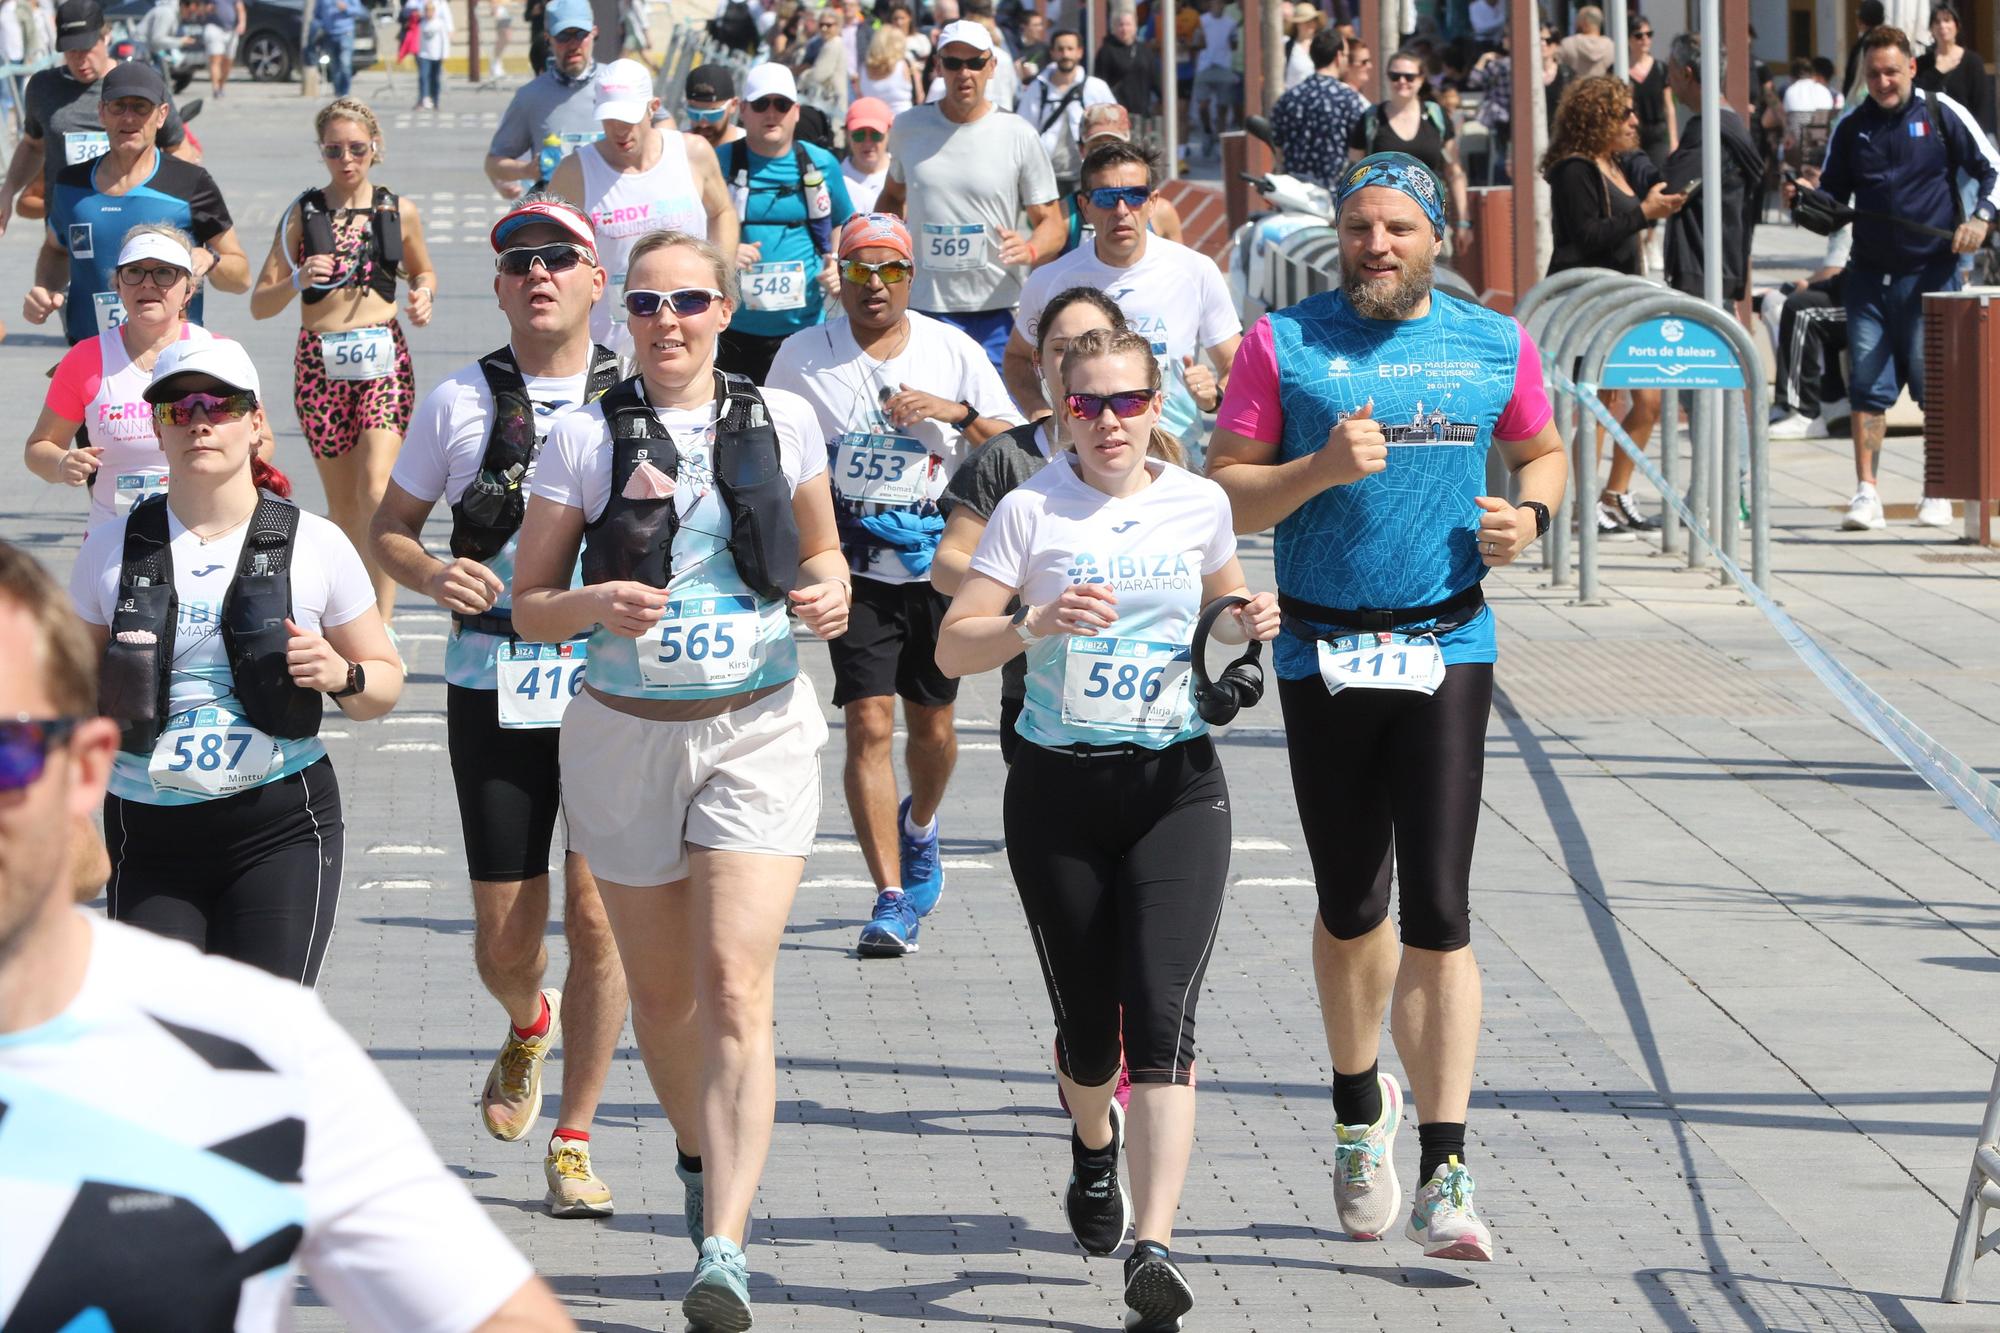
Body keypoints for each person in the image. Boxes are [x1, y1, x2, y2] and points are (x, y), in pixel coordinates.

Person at [0, 542, 576, 1332]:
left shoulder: (258, 1045)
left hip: (280, 816)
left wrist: (341, 672)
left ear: (87, 766)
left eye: (8, 753)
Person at [1207, 152, 1567, 1264]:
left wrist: (1531, 520)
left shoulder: (1492, 342)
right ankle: (1360, 1108)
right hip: (1323, 650)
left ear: (1435, 239)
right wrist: (1313, 470)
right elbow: (1222, 482)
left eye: (1397, 229)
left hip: (1446, 641)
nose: (1374, 246)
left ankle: (1447, 1170)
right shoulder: (1285, 342)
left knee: (1441, 911)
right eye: (1359, 227)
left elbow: (1541, 453)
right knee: (1350, 901)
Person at [512, 229, 849, 1331]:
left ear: (722, 309)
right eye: (648, 303)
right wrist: (593, 605)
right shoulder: (581, 436)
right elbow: (528, 603)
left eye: (690, 302)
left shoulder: (781, 417)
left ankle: (723, 1247)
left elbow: (821, 556)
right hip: (622, 736)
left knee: (734, 982)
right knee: (661, 997)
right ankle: (701, 1154)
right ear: (626, 317)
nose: (668, 322)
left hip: (754, 726)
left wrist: (828, 596)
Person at [936, 324, 1280, 1333]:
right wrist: (1029, 627)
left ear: (1157, 401)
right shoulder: (1028, 508)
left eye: (1128, 401)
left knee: (1161, 1017)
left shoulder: (1200, 502)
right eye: (1088, 404)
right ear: (1059, 407)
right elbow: (955, 647)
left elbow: (1224, 618)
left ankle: (1153, 1245)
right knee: (1091, 1034)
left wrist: (1244, 638)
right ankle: (1094, 1147)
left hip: (1175, 787)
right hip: (1056, 794)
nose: (1110, 422)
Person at [371, 195, 628, 1223]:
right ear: (500, 283)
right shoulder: (459, 400)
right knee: (505, 940)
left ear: (595, 278)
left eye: (559, 257)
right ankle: (527, 1020)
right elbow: (392, 527)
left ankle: (575, 1138)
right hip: (494, 682)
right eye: (520, 259)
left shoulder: (639, 391)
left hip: (616, 686)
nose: (539, 274)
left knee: (601, 921)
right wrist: (433, 576)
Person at [69, 337, 402, 986]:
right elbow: (67, 695)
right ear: (158, 429)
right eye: (177, 408)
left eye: (220, 405)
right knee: (165, 1047)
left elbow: (383, 684)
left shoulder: (316, 543)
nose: (199, 419)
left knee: (264, 1047)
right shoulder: (111, 549)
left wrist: (343, 675)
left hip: (278, 825)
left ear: (256, 423)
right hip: (149, 827)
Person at [767, 212, 1021, 958]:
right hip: (853, 573)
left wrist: (956, 412)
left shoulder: (952, 349)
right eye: (858, 270)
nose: (873, 285)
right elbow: (770, 451)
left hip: (937, 568)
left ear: (912, 277)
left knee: (933, 729)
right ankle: (888, 897)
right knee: (869, 724)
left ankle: (922, 823)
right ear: (837, 277)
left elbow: (1012, 449)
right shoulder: (802, 356)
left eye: (889, 271)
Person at [1802, 25, 1998, 532]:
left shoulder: (1940, 113)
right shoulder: (1852, 127)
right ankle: (1866, 493)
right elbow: (1831, 201)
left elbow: (1995, 168)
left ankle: (1936, 490)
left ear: (1912, 67)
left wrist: (1981, 219)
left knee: (1936, 386)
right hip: (1867, 276)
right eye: (1873, 74)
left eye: (1891, 71)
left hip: (1932, 273)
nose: (1883, 82)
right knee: (1866, 385)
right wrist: (1804, 202)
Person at [249, 98, 436, 624]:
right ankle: (349, 611)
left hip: (383, 361)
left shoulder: (397, 211)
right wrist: (296, 280)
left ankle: (384, 621)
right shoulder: (302, 215)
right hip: (320, 364)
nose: (346, 159)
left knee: (378, 487)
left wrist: (423, 293)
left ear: (375, 148)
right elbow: (260, 304)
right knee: (345, 507)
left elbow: (423, 272)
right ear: (322, 153)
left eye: (356, 148)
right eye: (333, 150)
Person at [935, 286, 1125, 763]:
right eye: (1061, 349)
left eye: (1091, 343)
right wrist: (1034, 597)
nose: (1073, 363)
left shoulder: (1160, 457)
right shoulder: (1006, 458)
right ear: (1039, 364)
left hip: (1152, 709)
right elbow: (946, 565)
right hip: (1036, 702)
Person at [1006, 140, 1238, 469]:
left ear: (1153, 202)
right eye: (1105, 198)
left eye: (1134, 195)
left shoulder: (1194, 270)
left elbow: (1234, 361)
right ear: (1084, 206)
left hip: (1172, 455)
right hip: (1081, 459)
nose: (1121, 210)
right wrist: (1040, 412)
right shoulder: (1050, 280)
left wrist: (1215, 396)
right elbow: (1017, 357)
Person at [25, 225, 246, 534]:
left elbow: (262, 441)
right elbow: (39, 447)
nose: (148, 284)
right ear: (118, 286)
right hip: (114, 539)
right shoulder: (85, 359)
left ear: (188, 290)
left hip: (202, 534)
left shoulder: (220, 354)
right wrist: (62, 463)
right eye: (134, 272)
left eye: (165, 273)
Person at [1542, 75, 1684, 536]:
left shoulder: (1614, 163)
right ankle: (1585, 502)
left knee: (1648, 399)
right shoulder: (1574, 169)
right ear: (1597, 117)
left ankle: (1614, 492)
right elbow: (1585, 236)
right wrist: (1643, 214)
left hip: (1620, 298)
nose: (1634, 121)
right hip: (1589, 300)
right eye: (1624, 113)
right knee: (1600, 401)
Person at [878, 20, 1061, 376]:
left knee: (999, 425)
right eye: (953, 62)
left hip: (997, 308)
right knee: (927, 420)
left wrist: (1031, 249)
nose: (965, 72)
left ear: (992, 67)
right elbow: (891, 195)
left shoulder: (1018, 133)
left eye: (975, 62)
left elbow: (1051, 221)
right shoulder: (907, 127)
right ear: (938, 67)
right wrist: (887, 251)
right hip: (925, 305)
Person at [29, 60, 247, 346]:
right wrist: (44, 290)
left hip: (171, 364)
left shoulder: (190, 182)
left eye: (140, 107)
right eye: (118, 106)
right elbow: (56, 250)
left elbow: (241, 277)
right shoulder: (71, 183)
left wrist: (212, 260)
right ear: (102, 112)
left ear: (161, 115)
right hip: (92, 358)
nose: (128, 118)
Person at [549, 58, 736, 362]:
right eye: (609, 119)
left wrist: (721, 279)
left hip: (686, 341)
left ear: (653, 107)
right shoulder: (575, 172)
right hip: (608, 348)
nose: (619, 130)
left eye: (628, 119)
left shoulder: (692, 153)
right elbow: (551, 251)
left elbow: (722, 212)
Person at [0, 0, 192, 241]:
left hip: (135, 228)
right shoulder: (43, 87)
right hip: (68, 228)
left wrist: (174, 204)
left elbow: (180, 148)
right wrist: (7, 191)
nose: (80, 60)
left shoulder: (142, 82)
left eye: (86, 49)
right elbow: (32, 145)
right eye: (71, 51)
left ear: (106, 37)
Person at [709, 61, 853, 384]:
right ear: (742, 110)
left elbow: (844, 222)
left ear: (797, 112)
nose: (771, 113)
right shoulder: (720, 162)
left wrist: (837, 263)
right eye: (761, 104)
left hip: (805, 328)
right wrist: (725, 250)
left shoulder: (822, 163)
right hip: (734, 328)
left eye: (781, 104)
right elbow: (693, 227)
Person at [1659, 34, 1763, 314]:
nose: (1669, 83)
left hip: (1704, 272)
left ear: (1687, 73)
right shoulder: (1729, 123)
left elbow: (1668, 187)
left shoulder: (1709, 129)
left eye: (1671, 72)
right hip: (1719, 269)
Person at [486, 0, 604, 200]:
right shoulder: (531, 95)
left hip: (614, 217)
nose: (573, 44)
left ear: (594, 32)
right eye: (563, 36)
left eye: (581, 35)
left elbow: (663, 128)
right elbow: (494, 164)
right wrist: (527, 170)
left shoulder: (617, 81)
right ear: (548, 39)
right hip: (560, 220)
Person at [1349, 50, 1471, 234]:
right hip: (1384, 224)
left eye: (1409, 76)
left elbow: (1454, 172)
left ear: (1421, 79)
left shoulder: (1435, 117)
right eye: (1395, 76)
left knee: (1437, 264)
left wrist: (1463, 221)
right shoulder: (1371, 119)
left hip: (1431, 218)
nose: (1402, 82)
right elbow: (1355, 173)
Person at [1051, 103, 1186, 254]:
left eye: (1113, 145)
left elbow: (1181, 269)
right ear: (1082, 150)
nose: (1105, 154)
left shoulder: (1162, 212)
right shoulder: (1063, 214)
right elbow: (1043, 272)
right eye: (1096, 147)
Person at [1764, 226, 1850, 440]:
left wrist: (1803, 286)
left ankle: (1804, 411)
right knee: (1789, 303)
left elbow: (1834, 271)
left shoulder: (1844, 204)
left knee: (1796, 309)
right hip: (1861, 291)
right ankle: (1831, 398)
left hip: (1872, 302)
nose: (1787, 191)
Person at [1015, 27, 1116, 199]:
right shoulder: (1037, 89)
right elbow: (1022, 129)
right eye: (1060, 49)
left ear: (1079, 52)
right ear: (1053, 53)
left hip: (1088, 173)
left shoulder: (1096, 87)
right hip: (1047, 175)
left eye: (1070, 49)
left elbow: (1114, 126)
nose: (1065, 54)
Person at [1271, 29, 1367, 190]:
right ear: (1338, 57)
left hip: (1292, 193)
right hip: (1332, 194)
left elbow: (1278, 150)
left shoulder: (1288, 98)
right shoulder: (1347, 99)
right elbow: (1359, 150)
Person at [1917, 4, 1995, 139]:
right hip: (1931, 136)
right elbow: (1918, 98)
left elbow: (1982, 106)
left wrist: (1975, 136)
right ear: (1931, 28)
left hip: (1966, 135)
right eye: (1937, 22)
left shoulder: (1973, 62)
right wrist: (1937, 72)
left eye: (1947, 20)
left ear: (1956, 25)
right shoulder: (1922, 63)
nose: (1942, 26)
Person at [1627, 14, 1675, 173]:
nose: (1645, 40)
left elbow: (1669, 106)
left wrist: (1673, 141)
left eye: (1649, 34)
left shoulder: (1661, 68)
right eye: (1639, 35)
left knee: (1657, 178)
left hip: (1657, 135)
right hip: (1632, 135)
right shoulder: (1619, 69)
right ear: (1628, 39)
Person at [1191, 0, 1238, 156]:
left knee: (1222, 108)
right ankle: (1207, 131)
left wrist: (1233, 39)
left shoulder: (1231, 23)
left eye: (1221, 3)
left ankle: (1220, 139)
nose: (1219, 6)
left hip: (1223, 66)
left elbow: (1234, 45)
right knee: (1203, 105)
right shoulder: (1202, 21)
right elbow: (1196, 44)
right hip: (1205, 66)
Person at [1095, 6, 1156, 119]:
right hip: (1116, 112)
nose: (1124, 29)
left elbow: (1155, 79)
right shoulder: (1106, 51)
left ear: (1135, 26)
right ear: (1114, 27)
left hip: (1142, 111)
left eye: (1128, 24)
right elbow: (1100, 82)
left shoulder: (1144, 51)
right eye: (1120, 25)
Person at [861, 19, 923, 116]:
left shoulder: (864, 68)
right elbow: (920, 97)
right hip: (903, 122)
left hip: (874, 124)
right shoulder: (905, 65)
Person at [842, 95, 894, 211]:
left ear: (890, 133)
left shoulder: (902, 177)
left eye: (876, 135)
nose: (867, 142)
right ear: (846, 134)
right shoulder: (837, 180)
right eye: (859, 135)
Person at [302, 0, 362, 97]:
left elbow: (359, 11)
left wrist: (346, 8)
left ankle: (345, 91)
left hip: (346, 33)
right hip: (330, 34)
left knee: (345, 63)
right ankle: (338, 92)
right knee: (334, 66)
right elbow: (317, 14)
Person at [683, 63, 745, 150]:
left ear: (733, 105)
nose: (703, 124)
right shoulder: (678, 148)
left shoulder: (751, 149)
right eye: (694, 113)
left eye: (712, 114)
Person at [1556, 4, 1611, 80]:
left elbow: (1555, 67)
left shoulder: (1567, 44)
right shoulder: (1612, 47)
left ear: (1584, 22)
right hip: (1605, 90)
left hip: (1576, 90)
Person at [1843, 0, 1886, 99]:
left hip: (1864, 99)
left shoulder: (1864, 45)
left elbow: (1851, 80)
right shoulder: (1890, 41)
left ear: (1860, 21)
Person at [415, 0, 454, 108]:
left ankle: (435, 100)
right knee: (423, 77)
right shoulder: (421, 23)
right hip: (424, 55)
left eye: (431, 11)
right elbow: (417, 38)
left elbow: (444, 40)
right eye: (427, 11)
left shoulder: (439, 23)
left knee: (435, 78)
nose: (429, 13)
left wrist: (444, 54)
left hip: (436, 55)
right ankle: (423, 98)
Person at [200, 0, 243, 95]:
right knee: (216, 59)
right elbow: (200, 10)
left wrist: (241, 23)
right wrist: (207, 9)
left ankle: (221, 86)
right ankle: (215, 88)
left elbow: (240, 8)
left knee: (228, 61)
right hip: (213, 27)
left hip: (231, 30)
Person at [1283, 1, 1320, 89]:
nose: (1310, 24)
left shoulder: (1321, 45)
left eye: (1313, 20)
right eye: (1306, 20)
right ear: (1297, 24)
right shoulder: (1286, 46)